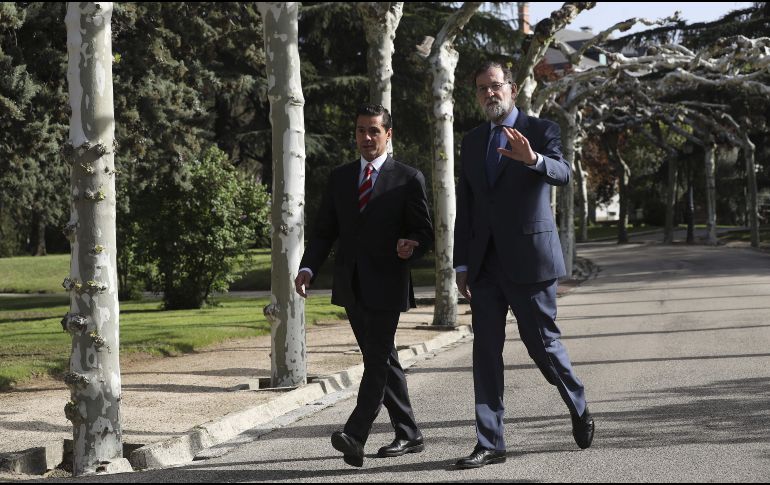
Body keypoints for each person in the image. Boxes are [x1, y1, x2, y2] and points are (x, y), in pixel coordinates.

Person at [452, 61, 594, 469]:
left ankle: (578, 404)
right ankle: (490, 441)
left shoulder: (541, 130)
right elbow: (469, 204)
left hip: (530, 262)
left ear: (511, 89)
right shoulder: (473, 141)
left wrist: (532, 159)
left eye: (495, 86)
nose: (488, 94)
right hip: (485, 266)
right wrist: (462, 262)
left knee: (542, 347)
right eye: (481, 89)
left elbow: (563, 173)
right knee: (485, 353)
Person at [294, 103, 433, 468]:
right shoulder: (341, 178)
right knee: (383, 358)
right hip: (352, 284)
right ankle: (409, 432)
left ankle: (356, 433)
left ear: (388, 134)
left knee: (375, 360)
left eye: (374, 131)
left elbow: (423, 232)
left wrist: (411, 245)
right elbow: (325, 231)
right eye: (360, 130)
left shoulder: (408, 178)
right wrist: (308, 267)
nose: (367, 137)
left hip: (388, 283)